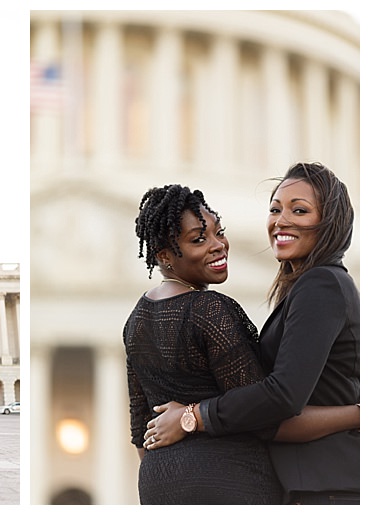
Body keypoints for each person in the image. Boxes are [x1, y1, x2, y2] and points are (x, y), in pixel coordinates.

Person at [144, 163, 360, 504]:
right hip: (313, 482)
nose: (281, 220)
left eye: (299, 210)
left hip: (327, 483)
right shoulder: (308, 286)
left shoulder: (322, 283)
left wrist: (192, 416)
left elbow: (282, 397)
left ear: (330, 221)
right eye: (275, 209)